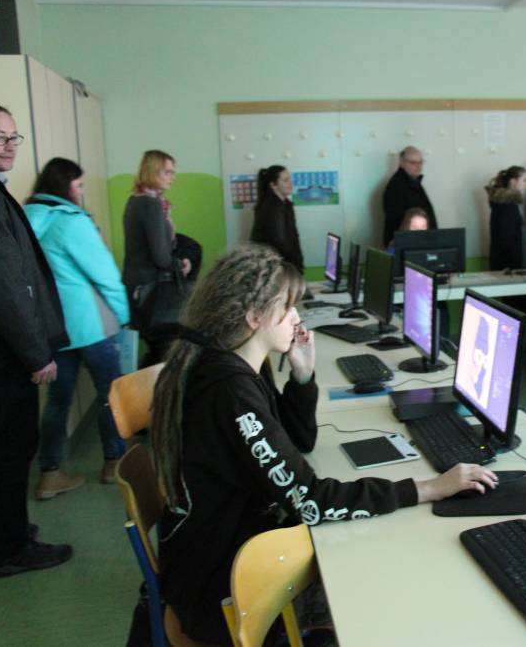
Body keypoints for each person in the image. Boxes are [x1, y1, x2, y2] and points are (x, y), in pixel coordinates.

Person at [154, 244, 496, 644]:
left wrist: (302, 375)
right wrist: (428, 488)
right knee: (382, 570)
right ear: (254, 317)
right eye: (288, 308)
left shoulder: (232, 364)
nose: (297, 318)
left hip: (227, 549)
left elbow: (298, 441)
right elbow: (311, 501)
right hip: (224, 585)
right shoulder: (229, 390)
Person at [0, 100, 72, 576]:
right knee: (12, 449)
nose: (9, 146)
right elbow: (3, 286)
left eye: (13, 137)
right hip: (4, 354)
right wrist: (37, 354)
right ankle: (10, 548)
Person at [23, 157, 130, 498]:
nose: (82, 192)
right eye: (79, 185)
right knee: (110, 393)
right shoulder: (70, 221)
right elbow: (105, 273)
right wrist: (124, 312)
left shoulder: (24, 219)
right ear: (64, 186)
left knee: (58, 401)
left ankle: (50, 474)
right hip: (89, 325)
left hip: (51, 328)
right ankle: (113, 462)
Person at [122, 149, 191, 367]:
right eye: (168, 172)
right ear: (153, 172)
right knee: (164, 353)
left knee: (157, 350)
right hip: (150, 288)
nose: (173, 177)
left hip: (138, 285)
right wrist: (180, 264)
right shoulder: (150, 204)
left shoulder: (137, 200)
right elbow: (161, 257)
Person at [251, 165, 303, 273]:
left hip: (284, 264)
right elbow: (280, 243)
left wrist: (298, 264)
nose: (290, 183)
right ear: (273, 185)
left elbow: (293, 237)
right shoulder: (271, 208)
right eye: (285, 180)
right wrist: (295, 267)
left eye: (289, 179)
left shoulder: (286, 204)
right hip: (273, 267)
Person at [382, 146, 437, 246]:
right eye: (413, 163)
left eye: (420, 162)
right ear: (402, 163)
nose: (418, 166)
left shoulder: (413, 182)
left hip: (418, 243)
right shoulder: (397, 186)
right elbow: (398, 223)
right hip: (407, 245)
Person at [486, 166, 526, 271]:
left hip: (502, 263)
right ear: (513, 182)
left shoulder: (503, 203)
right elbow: (508, 240)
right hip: (508, 266)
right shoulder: (508, 206)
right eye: (524, 180)